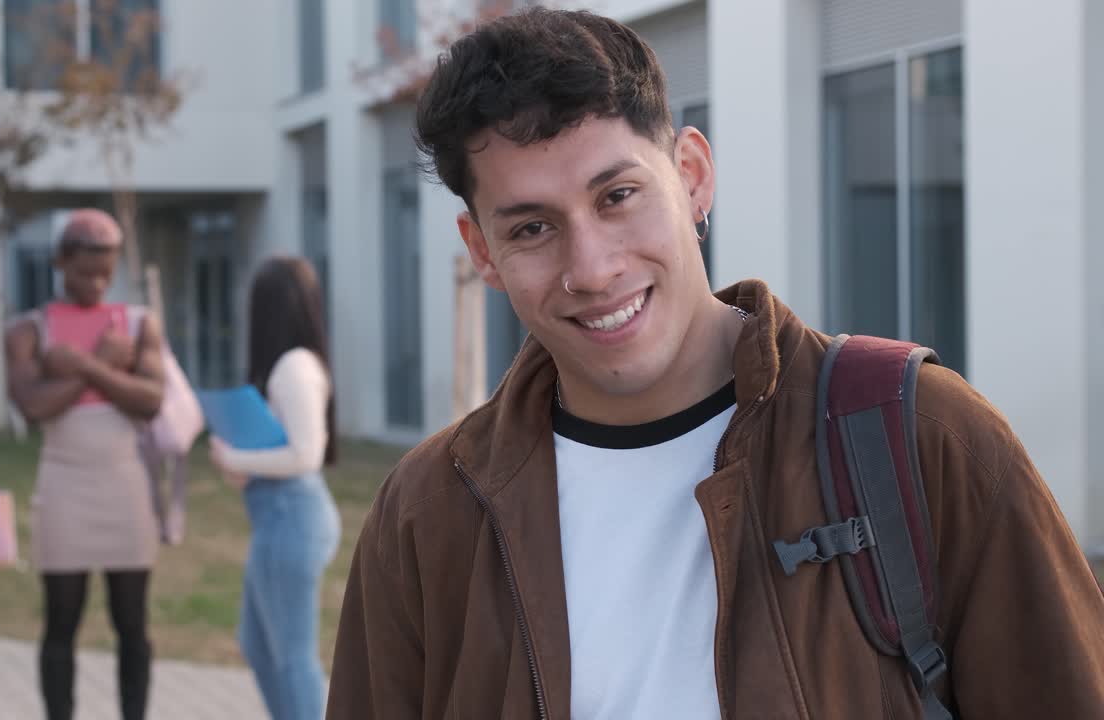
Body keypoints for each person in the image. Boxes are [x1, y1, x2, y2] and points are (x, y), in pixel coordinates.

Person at [327, 8, 1104, 719]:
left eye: (618, 195)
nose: (592, 268)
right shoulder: (427, 515)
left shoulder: (925, 436)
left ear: (693, 176)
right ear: (481, 253)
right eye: (531, 228)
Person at [4, 208, 166, 720]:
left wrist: (82, 367)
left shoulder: (140, 325)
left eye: (107, 271)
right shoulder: (29, 329)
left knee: (132, 624)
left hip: (124, 484)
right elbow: (32, 406)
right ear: (59, 262)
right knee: (61, 621)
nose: (97, 282)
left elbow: (152, 400)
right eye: (84, 271)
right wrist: (101, 366)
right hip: (64, 485)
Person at [208, 256, 341, 720]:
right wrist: (244, 462)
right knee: (259, 646)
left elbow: (307, 454)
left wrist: (235, 457)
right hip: (279, 519)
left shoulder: (294, 368)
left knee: (292, 656)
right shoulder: (293, 366)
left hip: (293, 518)